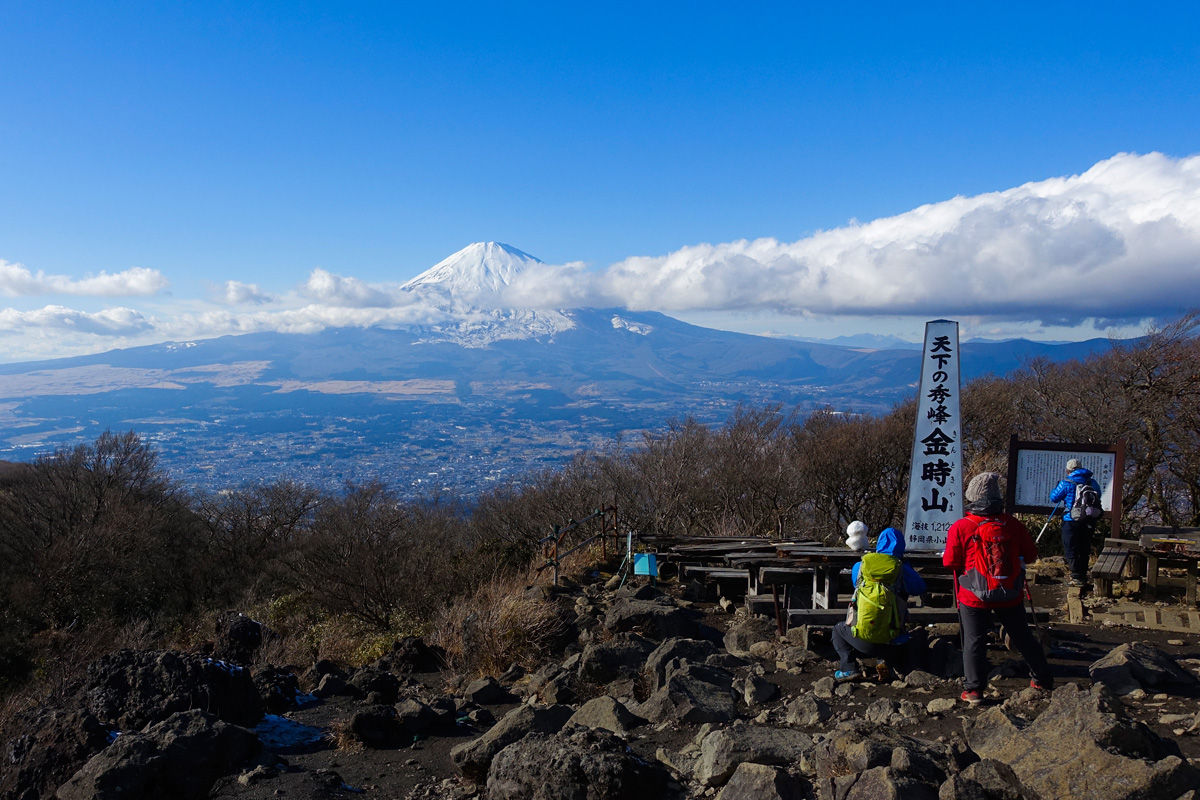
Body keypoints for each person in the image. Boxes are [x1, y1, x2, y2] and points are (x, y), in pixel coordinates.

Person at [944, 472, 1054, 707]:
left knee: (974, 640)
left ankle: (974, 691)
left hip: (973, 595)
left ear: (972, 497)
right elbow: (1032, 555)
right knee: (1022, 635)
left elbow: (951, 562)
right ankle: (1042, 678)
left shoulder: (962, 526)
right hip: (1009, 591)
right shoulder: (1012, 524)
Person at [832, 526, 926, 682]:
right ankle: (885, 662)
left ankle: (849, 668)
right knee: (897, 628)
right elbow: (920, 588)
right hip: (894, 641)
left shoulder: (861, 566)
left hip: (864, 640)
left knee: (838, 630)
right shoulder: (902, 569)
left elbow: (855, 583)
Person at [1049, 458, 1103, 587]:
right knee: (1084, 548)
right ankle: (1083, 575)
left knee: (1071, 548)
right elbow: (1099, 494)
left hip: (1070, 519)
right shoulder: (1091, 482)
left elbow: (1054, 498)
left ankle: (1076, 577)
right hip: (1088, 519)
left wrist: (1059, 488)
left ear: (1068, 470)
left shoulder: (1066, 483)